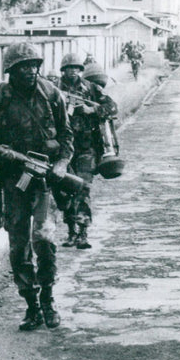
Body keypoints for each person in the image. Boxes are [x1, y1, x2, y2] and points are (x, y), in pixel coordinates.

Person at [0, 42, 73, 331]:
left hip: (43, 180)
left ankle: (49, 301)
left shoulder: (51, 94)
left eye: (34, 65)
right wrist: (0, 151)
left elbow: (67, 137)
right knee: (18, 245)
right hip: (14, 180)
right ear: (12, 71)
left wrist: (61, 164)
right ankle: (31, 304)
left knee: (43, 239)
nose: (30, 71)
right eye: (23, 67)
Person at [54, 56, 118, 250]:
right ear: (62, 70)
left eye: (76, 68)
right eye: (68, 68)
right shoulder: (53, 88)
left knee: (82, 187)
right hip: (62, 149)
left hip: (85, 147)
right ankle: (71, 231)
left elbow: (112, 107)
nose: (72, 71)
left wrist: (92, 110)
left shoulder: (90, 88)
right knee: (65, 190)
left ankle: (82, 233)